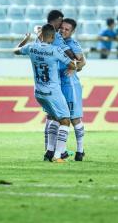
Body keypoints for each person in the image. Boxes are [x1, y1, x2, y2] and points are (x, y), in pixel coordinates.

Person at [14, 24, 76, 162]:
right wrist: (74, 62)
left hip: (39, 92)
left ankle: (49, 152)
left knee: (54, 118)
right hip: (53, 91)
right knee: (65, 121)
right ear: (53, 37)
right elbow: (72, 65)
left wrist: (25, 40)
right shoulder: (55, 50)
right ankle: (58, 156)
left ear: (40, 35)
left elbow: (15, 50)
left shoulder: (31, 47)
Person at [59, 18, 87, 161]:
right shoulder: (56, 40)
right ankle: (61, 151)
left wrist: (74, 67)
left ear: (72, 31)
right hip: (59, 84)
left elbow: (83, 62)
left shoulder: (72, 44)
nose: (63, 31)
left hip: (70, 86)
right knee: (61, 118)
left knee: (75, 118)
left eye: (67, 29)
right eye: (62, 28)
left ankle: (80, 150)